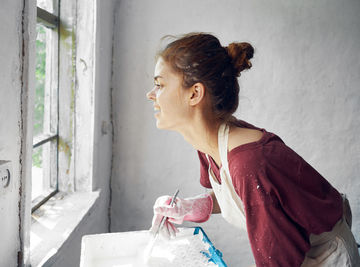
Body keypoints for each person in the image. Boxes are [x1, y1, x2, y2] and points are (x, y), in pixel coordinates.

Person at [146, 32, 360, 266]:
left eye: (159, 85)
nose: (151, 95)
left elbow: (279, 261)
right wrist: (189, 207)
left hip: (326, 258)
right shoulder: (210, 142)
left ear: (195, 93)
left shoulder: (249, 163)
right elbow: (237, 195)